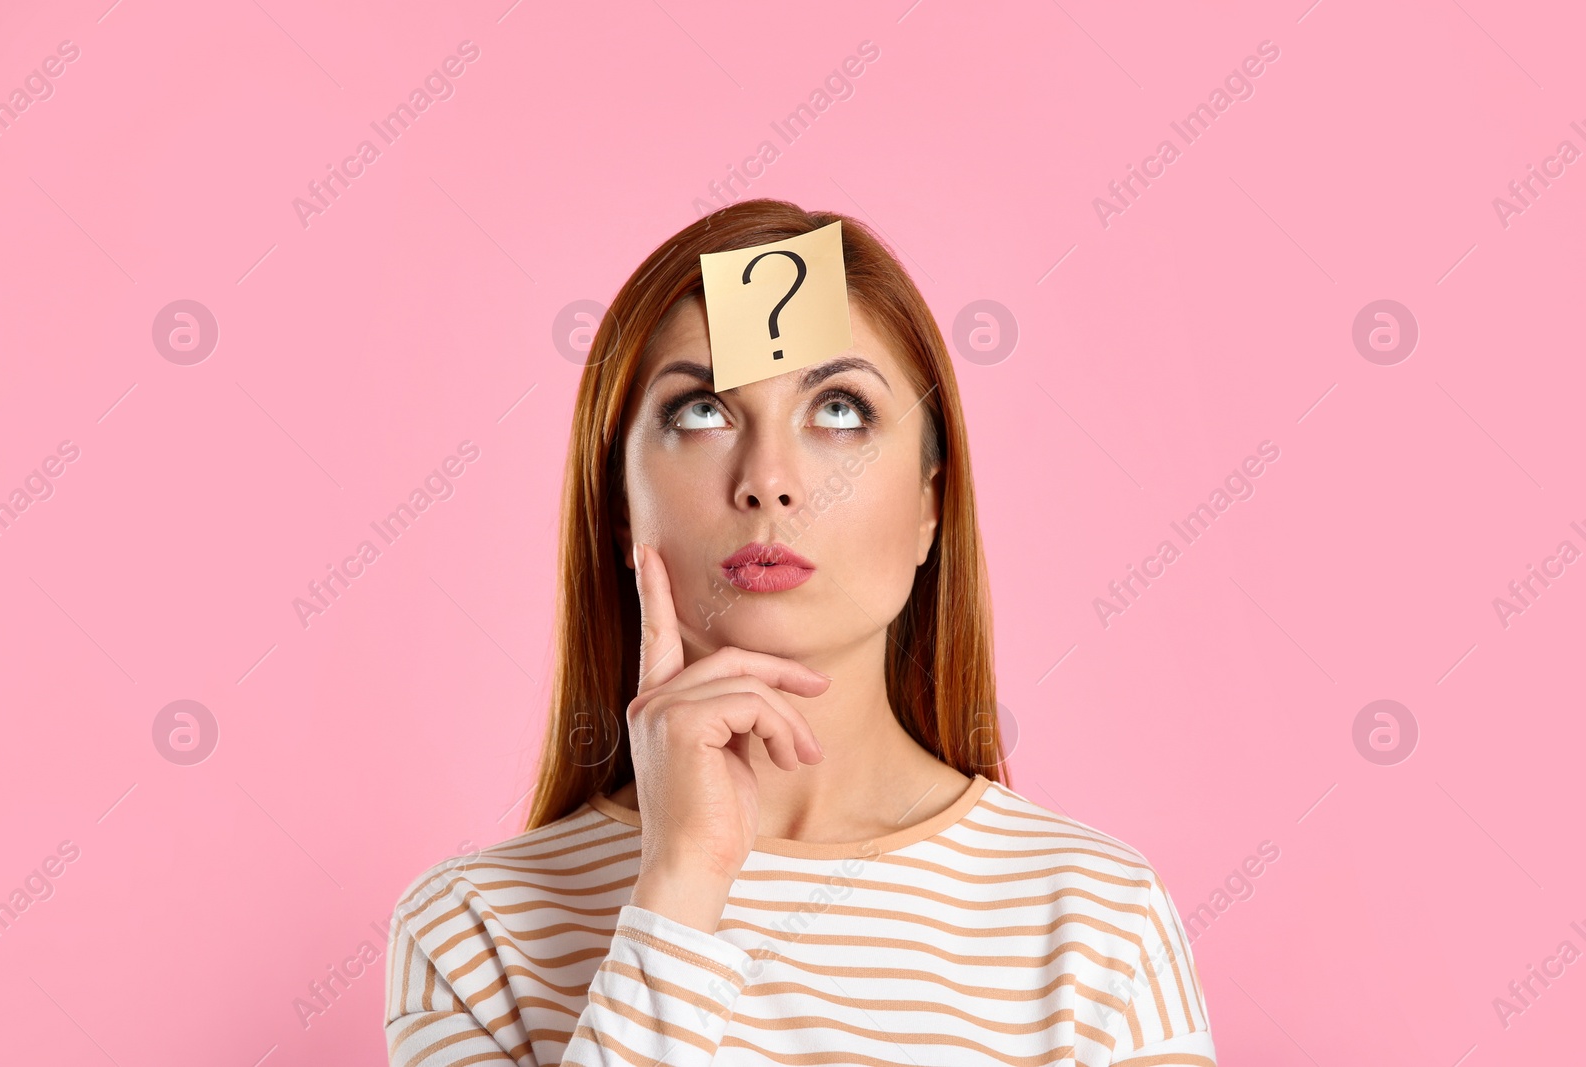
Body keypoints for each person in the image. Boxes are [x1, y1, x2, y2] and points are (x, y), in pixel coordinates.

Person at [384, 199, 1216, 1066]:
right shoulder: (474, 934)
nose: (770, 483)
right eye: (702, 411)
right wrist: (680, 888)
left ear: (932, 503)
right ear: (620, 504)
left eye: (841, 410)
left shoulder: (1098, 922)